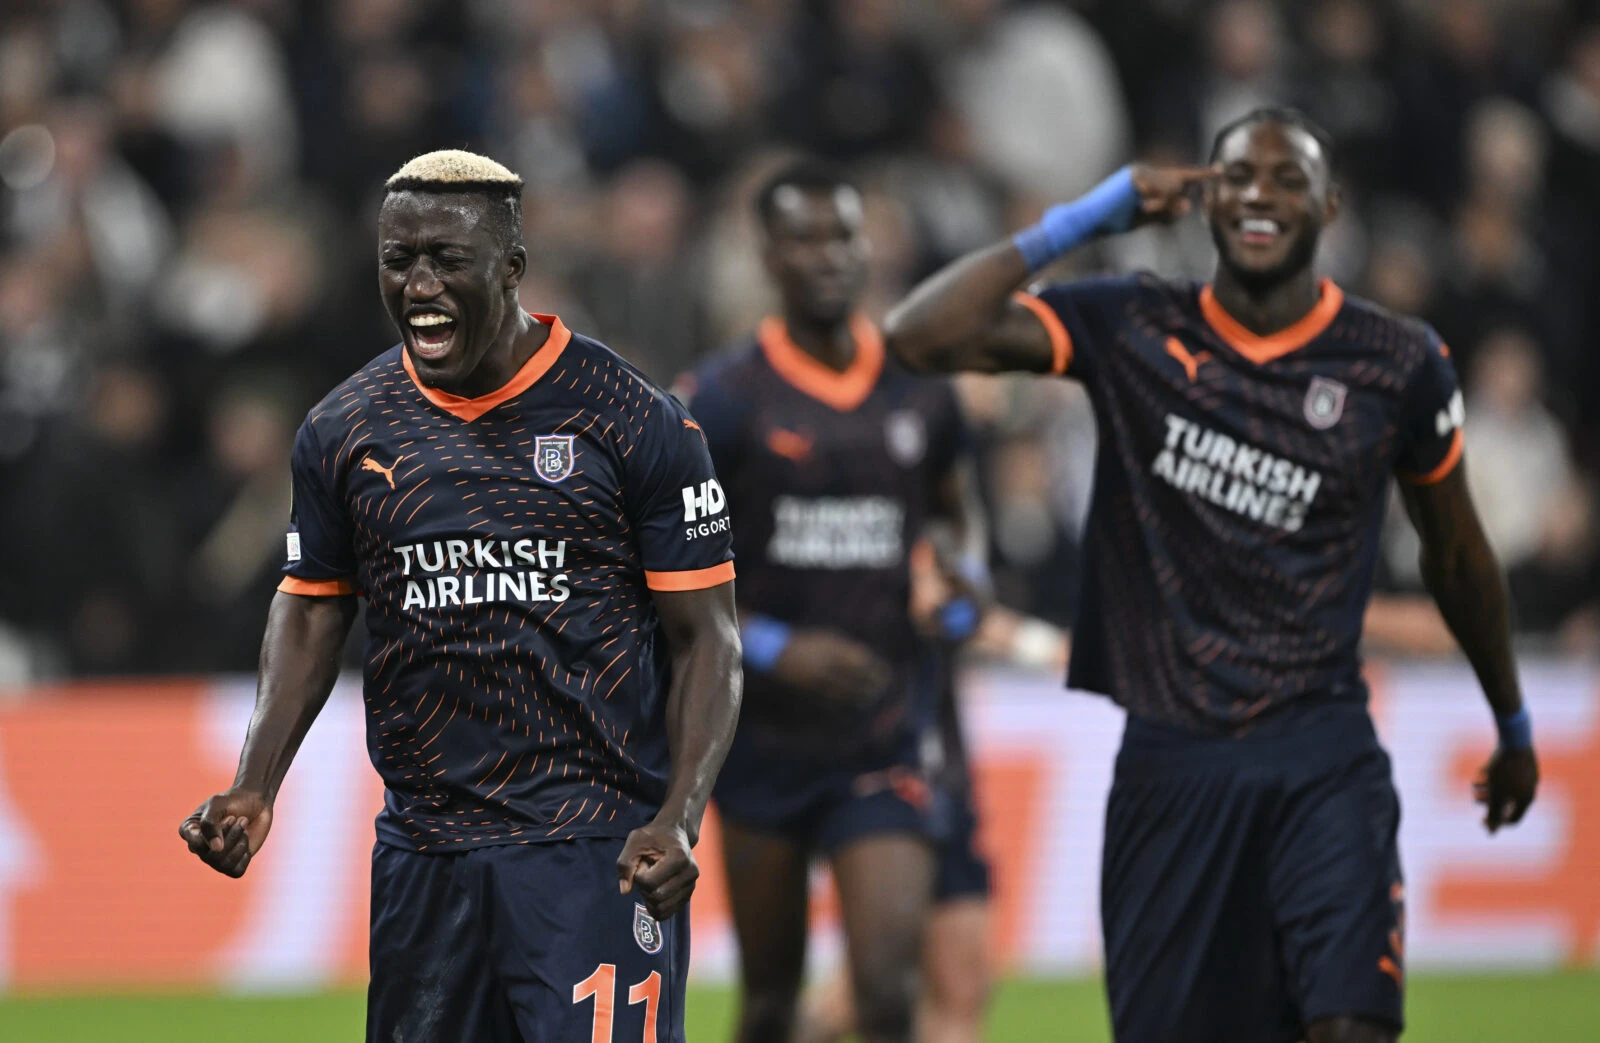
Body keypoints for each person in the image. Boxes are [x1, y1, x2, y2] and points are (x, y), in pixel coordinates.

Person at [884, 108, 1540, 1043]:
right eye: (1237, 177)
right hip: (1172, 766)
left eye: (1287, 180)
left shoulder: (1396, 362)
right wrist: (1083, 218)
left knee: (1351, 1025)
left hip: (1321, 752)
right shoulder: (1134, 324)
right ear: (1205, 199)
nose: (1260, 198)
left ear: (1331, 205)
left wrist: (1510, 719)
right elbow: (918, 334)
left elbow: (1459, 556)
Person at [178, 150, 742, 1043]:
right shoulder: (343, 429)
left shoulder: (630, 417)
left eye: (449, 259)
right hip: (426, 856)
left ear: (511, 269)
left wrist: (680, 817)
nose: (421, 284)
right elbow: (315, 602)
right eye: (399, 260)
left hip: (590, 846)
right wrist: (256, 783)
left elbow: (707, 639)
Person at [683, 159, 983, 1043]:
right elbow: (670, 577)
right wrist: (778, 648)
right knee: (772, 1002)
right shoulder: (724, 399)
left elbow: (959, 525)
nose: (829, 255)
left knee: (887, 997)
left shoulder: (921, 388)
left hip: (883, 734)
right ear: (768, 255)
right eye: (805, 237)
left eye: (844, 234)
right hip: (762, 742)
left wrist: (955, 583)